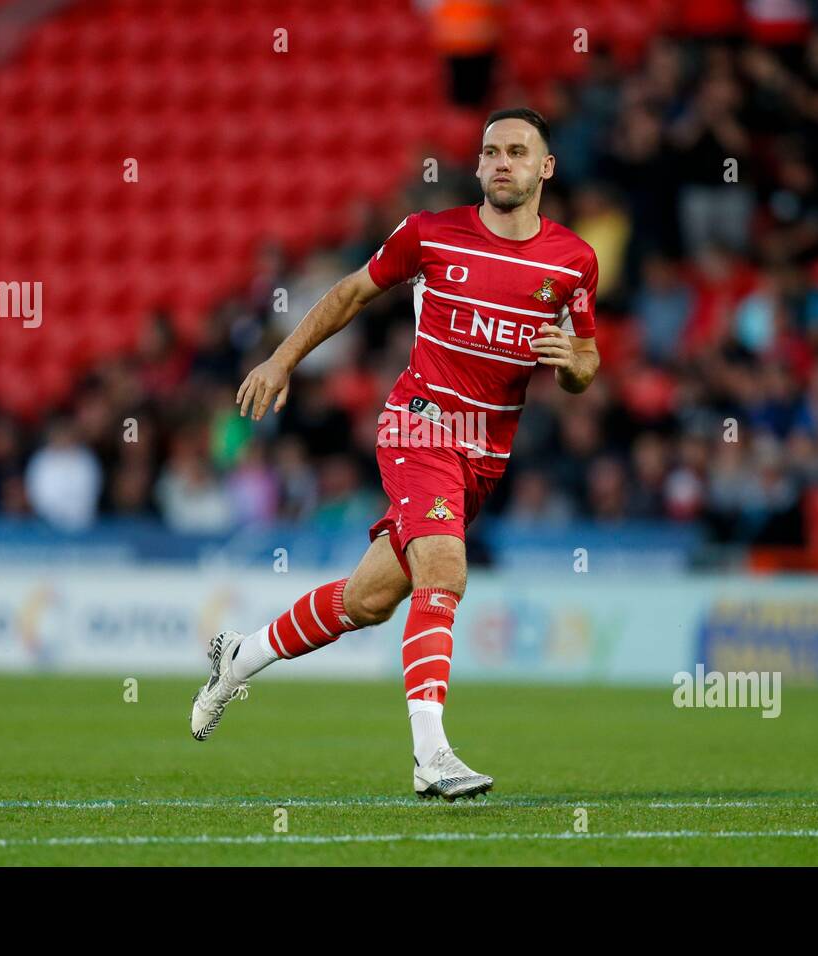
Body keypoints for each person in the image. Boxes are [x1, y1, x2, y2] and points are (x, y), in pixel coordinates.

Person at [189, 108, 601, 800]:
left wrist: (574, 367)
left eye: (517, 151)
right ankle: (431, 755)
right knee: (445, 570)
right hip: (419, 426)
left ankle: (239, 657)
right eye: (491, 151)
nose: (502, 162)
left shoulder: (574, 261)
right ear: (478, 165)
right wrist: (282, 360)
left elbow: (584, 360)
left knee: (369, 600)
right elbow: (351, 292)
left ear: (546, 167)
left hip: (485, 455)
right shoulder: (429, 234)